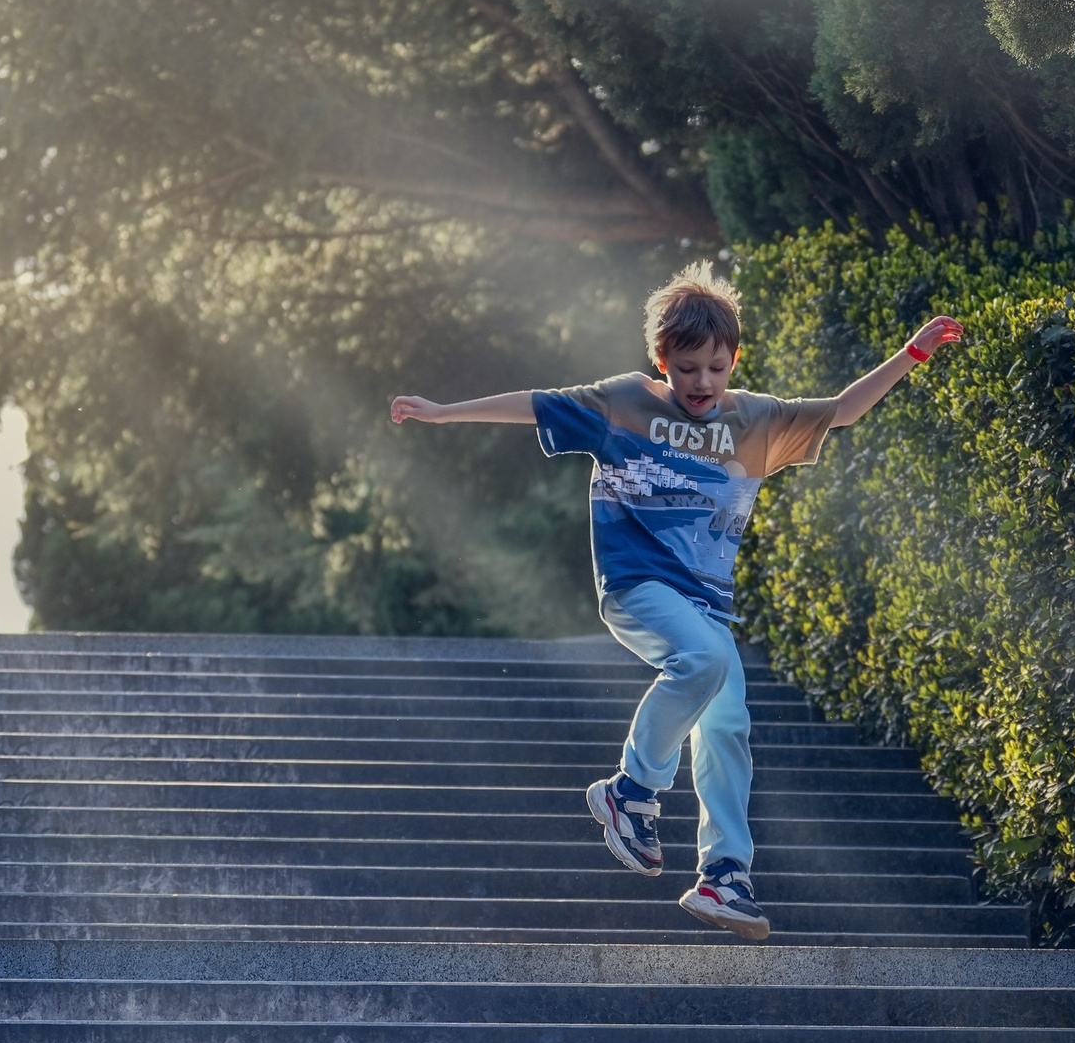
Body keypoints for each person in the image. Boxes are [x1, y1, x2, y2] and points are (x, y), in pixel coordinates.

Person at [391, 261, 962, 939]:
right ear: (662, 363)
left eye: (715, 368)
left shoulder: (756, 418)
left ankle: (725, 876)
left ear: (733, 360)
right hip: (638, 587)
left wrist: (914, 351)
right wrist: (444, 413)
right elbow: (534, 403)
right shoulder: (625, 402)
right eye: (687, 369)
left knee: (726, 725)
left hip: (707, 605)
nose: (702, 383)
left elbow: (841, 410)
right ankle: (630, 792)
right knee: (700, 661)